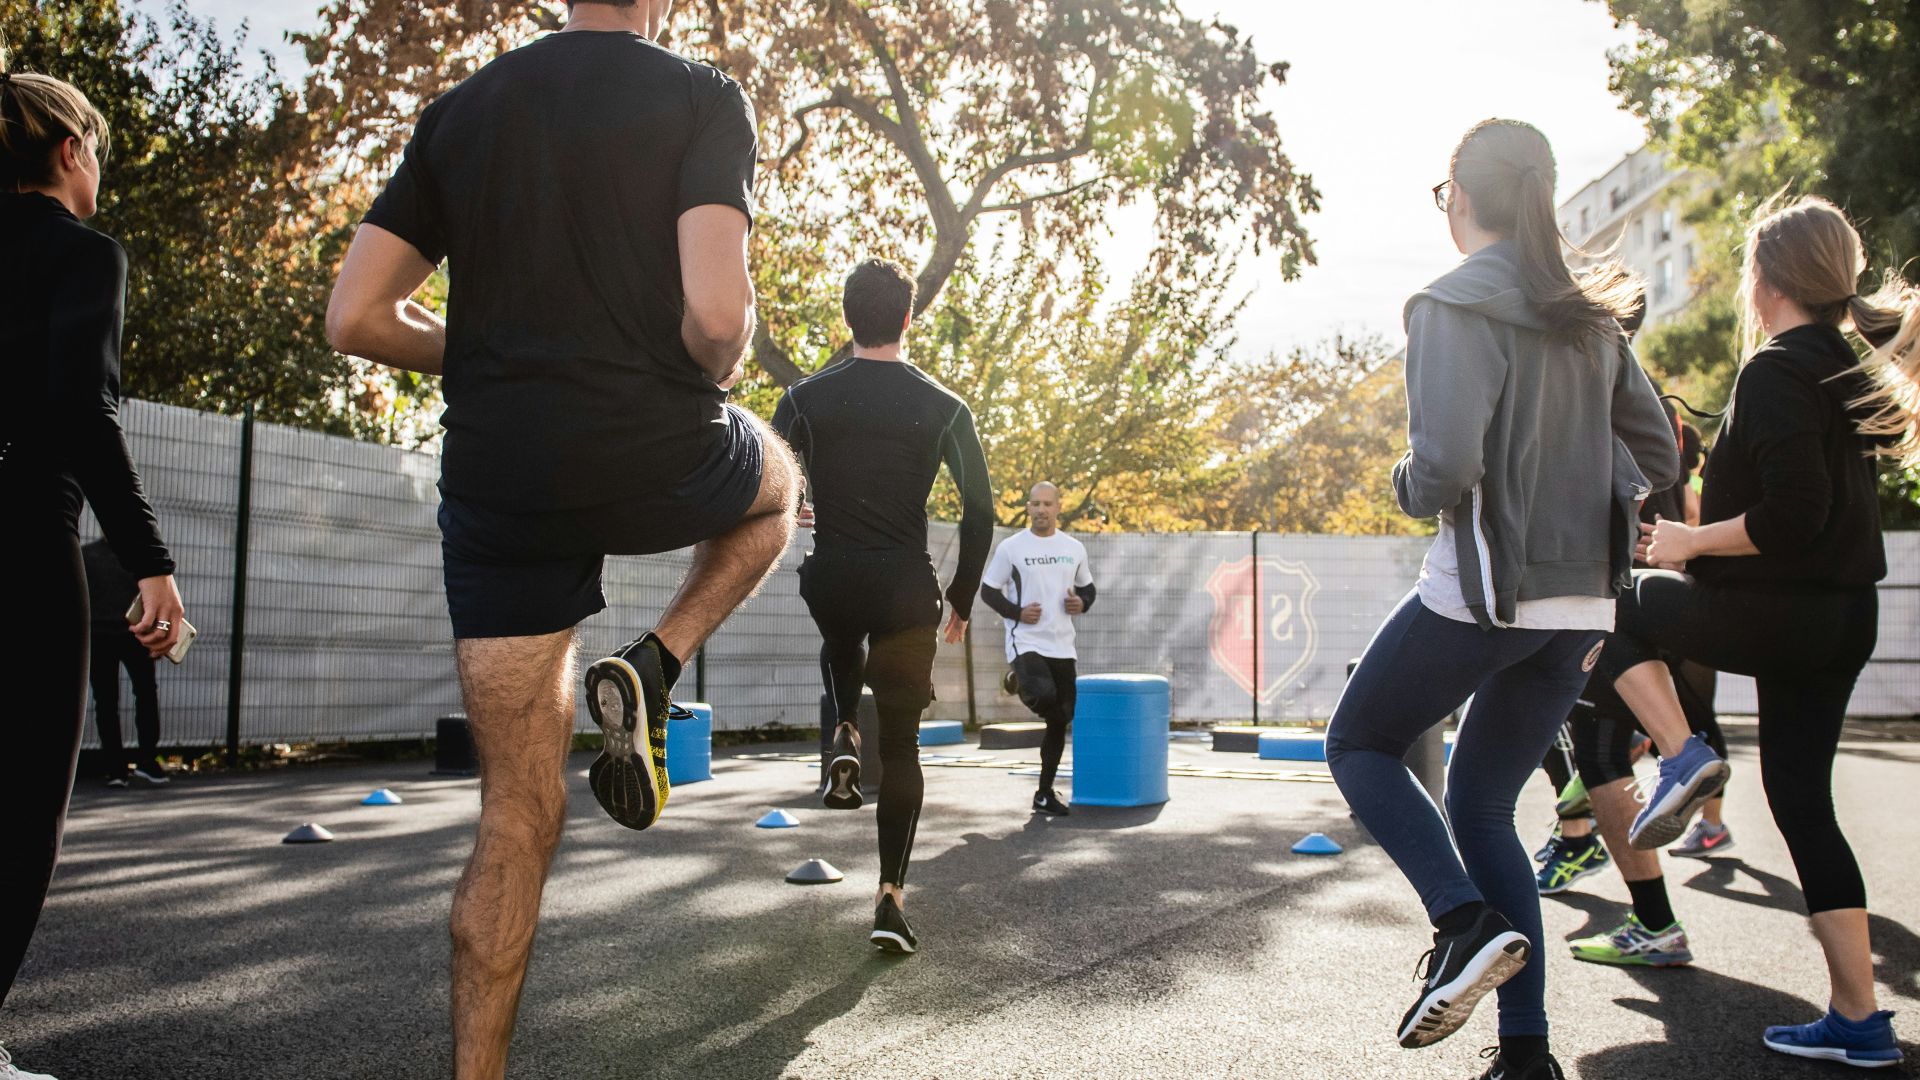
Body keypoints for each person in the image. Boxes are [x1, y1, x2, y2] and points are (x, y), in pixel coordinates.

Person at [323, 3, 798, 1076]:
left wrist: (493, 354)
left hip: (502, 482)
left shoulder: (461, 113)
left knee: (513, 819)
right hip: (653, 447)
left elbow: (355, 316)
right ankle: (657, 658)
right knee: (777, 493)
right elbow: (718, 321)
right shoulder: (699, 94)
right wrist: (703, 372)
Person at [1323, 119, 1678, 1080]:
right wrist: (1603, 510)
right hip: (1585, 611)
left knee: (1357, 743)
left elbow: (1442, 468)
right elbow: (1661, 452)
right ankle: (1526, 1055)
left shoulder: (1450, 305)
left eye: (1444, 196)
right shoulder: (1591, 317)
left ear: (1463, 199)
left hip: (1484, 598)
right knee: (1482, 807)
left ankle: (1460, 919)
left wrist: (1403, 482)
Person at [1602, 194, 1918, 1068]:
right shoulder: (1842, 365)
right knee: (1804, 808)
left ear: (1765, 278)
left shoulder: (1777, 368)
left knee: (1613, 605)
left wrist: (1686, 542)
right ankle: (1859, 1021)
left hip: (1787, 613)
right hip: (1842, 616)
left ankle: (1682, 752)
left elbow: (1793, 516)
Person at [2, 63, 188, 1080]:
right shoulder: (83, 254)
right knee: (24, 805)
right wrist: (149, 563)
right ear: (70, 153)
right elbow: (84, 413)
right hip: (21, 543)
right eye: (100, 156)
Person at [772, 258, 994, 954]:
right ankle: (890, 900)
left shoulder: (805, 397)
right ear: (907, 317)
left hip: (833, 576)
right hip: (905, 588)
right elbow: (982, 511)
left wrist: (799, 501)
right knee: (902, 749)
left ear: (847, 316)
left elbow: (769, 473)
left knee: (840, 634)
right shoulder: (945, 406)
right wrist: (961, 595)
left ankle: (841, 726)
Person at [980, 483, 1095, 816]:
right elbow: (988, 592)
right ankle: (1020, 677)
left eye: (1047, 504)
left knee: (1062, 717)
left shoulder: (1073, 548)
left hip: (1062, 644)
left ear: (1058, 507)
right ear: (1028, 508)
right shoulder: (1012, 548)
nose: (1041, 509)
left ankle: (1043, 794)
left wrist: (1081, 602)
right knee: (1044, 697)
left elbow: (1088, 589)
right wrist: (1017, 613)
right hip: (1025, 641)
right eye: (1035, 504)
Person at [82, 537, 168, 786]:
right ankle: (148, 761)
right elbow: (156, 600)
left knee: (106, 702)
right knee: (146, 694)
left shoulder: (87, 555)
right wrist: (161, 632)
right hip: (136, 635)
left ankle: (116, 769)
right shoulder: (141, 556)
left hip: (99, 635)